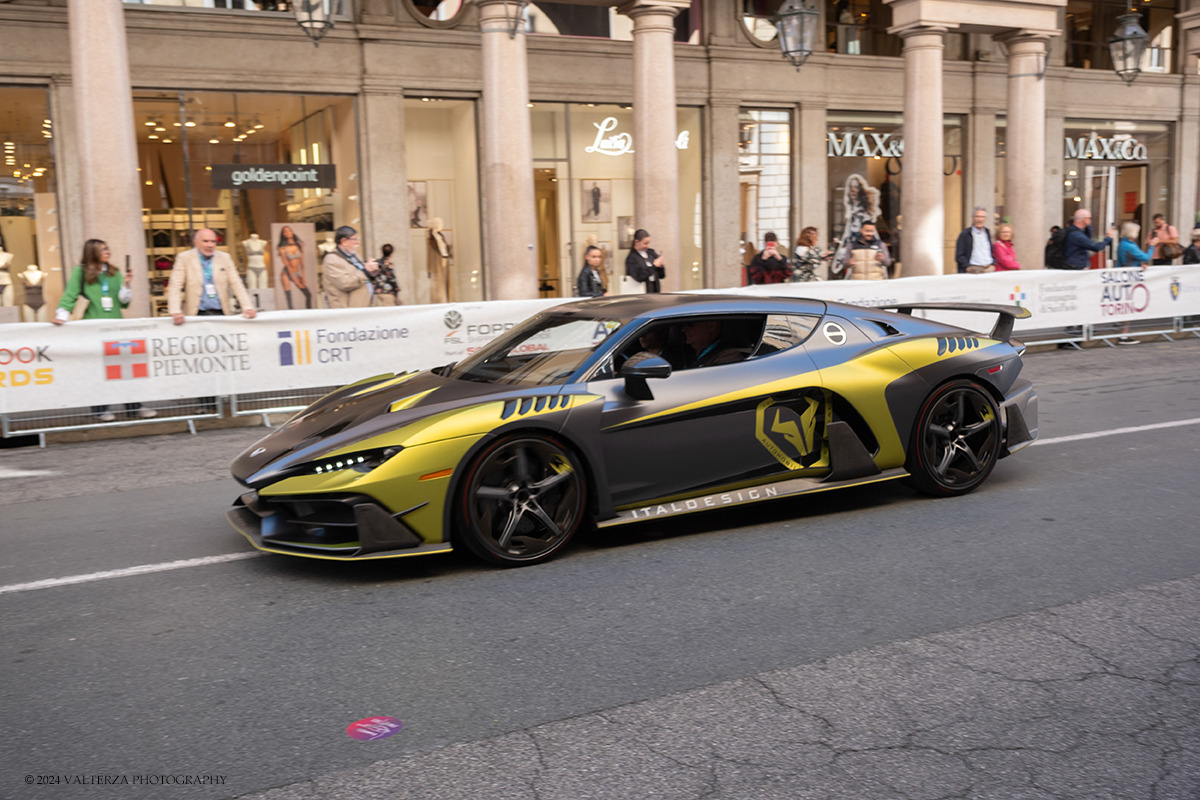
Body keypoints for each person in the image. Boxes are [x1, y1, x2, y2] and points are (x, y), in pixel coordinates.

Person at [54, 239, 155, 421]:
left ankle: (134, 406)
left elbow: (123, 303)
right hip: (94, 326)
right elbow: (70, 295)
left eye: (108, 248)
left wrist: (126, 284)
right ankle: (100, 409)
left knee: (126, 368)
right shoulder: (81, 272)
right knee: (98, 369)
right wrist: (62, 316)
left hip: (117, 325)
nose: (108, 252)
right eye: (103, 249)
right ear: (92, 252)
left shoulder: (114, 272)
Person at [168, 228, 257, 325]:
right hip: (195, 315)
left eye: (213, 241)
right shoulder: (184, 258)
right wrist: (175, 311)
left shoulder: (225, 258)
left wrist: (248, 307)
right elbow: (175, 286)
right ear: (196, 242)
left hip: (221, 313)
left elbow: (237, 284)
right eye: (205, 241)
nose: (210, 245)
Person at [1114, 221, 1158, 345]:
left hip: (1122, 276)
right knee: (1128, 307)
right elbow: (1146, 257)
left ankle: (1123, 332)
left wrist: (1139, 264)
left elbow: (1128, 259)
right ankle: (1123, 335)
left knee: (1126, 306)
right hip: (1128, 279)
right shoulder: (1130, 246)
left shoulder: (1122, 244)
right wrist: (1152, 246)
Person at [323, 226, 379, 309]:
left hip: (363, 308)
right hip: (347, 312)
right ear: (344, 241)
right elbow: (345, 283)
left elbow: (362, 277)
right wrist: (365, 271)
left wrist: (371, 273)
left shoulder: (355, 256)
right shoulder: (332, 259)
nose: (358, 242)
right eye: (354, 239)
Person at [681, 319, 746, 368]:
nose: (683, 329)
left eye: (690, 324)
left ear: (712, 325)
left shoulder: (728, 358)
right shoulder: (686, 353)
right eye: (683, 324)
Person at [276, 225, 312, 309]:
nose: (288, 232)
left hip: (296, 272)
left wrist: (303, 277)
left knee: (308, 295)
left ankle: (309, 314)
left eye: (289, 230)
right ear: (283, 234)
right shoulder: (282, 248)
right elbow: (287, 265)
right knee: (289, 301)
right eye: (285, 231)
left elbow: (302, 263)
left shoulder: (299, 245)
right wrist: (295, 280)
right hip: (287, 273)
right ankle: (290, 316)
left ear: (292, 232)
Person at [955, 207, 994, 273]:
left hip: (988, 268)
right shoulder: (965, 234)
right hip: (974, 268)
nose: (979, 219)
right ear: (973, 218)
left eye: (982, 217)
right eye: (977, 216)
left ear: (985, 219)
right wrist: (967, 267)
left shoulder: (987, 232)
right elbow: (959, 255)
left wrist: (993, 264)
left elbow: (991, 250)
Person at [625, 229, 665, 293]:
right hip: (641, 292)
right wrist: (654, 266)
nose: (647, 245)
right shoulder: (631, 258)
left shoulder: (651, 253)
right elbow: (638, 277)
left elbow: (661, 276)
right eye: (645, 243)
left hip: (655, 290)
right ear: (636, 242)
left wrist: (661, 266)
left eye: (648, 243)